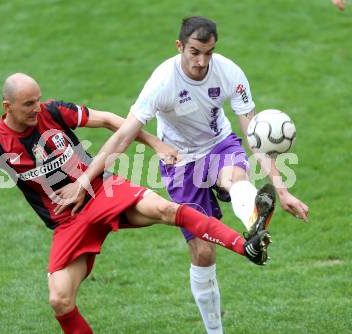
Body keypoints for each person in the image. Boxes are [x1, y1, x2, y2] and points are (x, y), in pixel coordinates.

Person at [0, 73, 272, 334]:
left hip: (101, 190)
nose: (37, 108)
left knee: (164, 210)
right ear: (7, 106)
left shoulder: (52, 112)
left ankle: (245, 246)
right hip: (68, 222)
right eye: (28, 104)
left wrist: (154, 142)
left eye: (38, 99)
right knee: (60, 301)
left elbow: (107, 119)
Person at [55, 17, 309, 333]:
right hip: (179, 161)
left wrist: (282, 190)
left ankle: (254, 223)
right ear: (180, 47)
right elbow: (122, 137)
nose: (202, 61)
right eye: (195, 52)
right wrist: (83, 180)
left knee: (235, 179)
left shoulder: (229, 73)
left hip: (219, 145)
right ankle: (215, 330)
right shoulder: (162, 82)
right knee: (203, 252)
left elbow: (254, 134)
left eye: (209, 53)